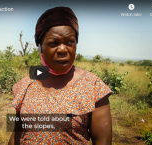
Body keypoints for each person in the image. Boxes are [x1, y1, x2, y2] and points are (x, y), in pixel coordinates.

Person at [8, 6, 112, 145]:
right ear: (40, 47)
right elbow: (16, 135)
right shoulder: (29, 81)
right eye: (53, 43)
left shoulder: (93, 86)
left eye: (70, 42)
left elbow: (102, 141)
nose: (63, 49)